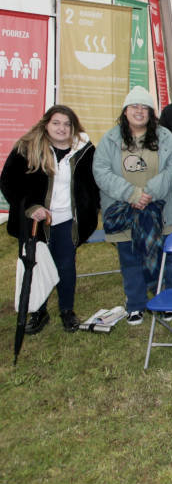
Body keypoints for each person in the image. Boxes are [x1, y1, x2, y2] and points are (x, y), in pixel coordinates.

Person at [0, 105, 99, 333]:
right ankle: (38, 311)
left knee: (65, 266)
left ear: (73, 127)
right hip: (35, 221)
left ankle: (67, 311)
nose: (61, 128)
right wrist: (31, 207)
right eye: (56, 123)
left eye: (67, 124)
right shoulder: (27, 146)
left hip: (66, 220)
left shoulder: (84, 150)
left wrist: (88, 211)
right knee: (36, 265)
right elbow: (7, 181)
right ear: (46, 124)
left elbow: (92, 185)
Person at [92, 86, 172, 326]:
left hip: (158, 209)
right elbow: (101, 171)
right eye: (134, 107)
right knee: (129, 259)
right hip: (124, 210)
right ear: (125, 111)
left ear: (152, 113)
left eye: (145, 107)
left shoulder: (165, 137)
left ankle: (166, 301)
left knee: (163, 258)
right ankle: (136, 305)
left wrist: (149, 193)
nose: (139, 111)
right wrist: (131, 194)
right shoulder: (110, 139)